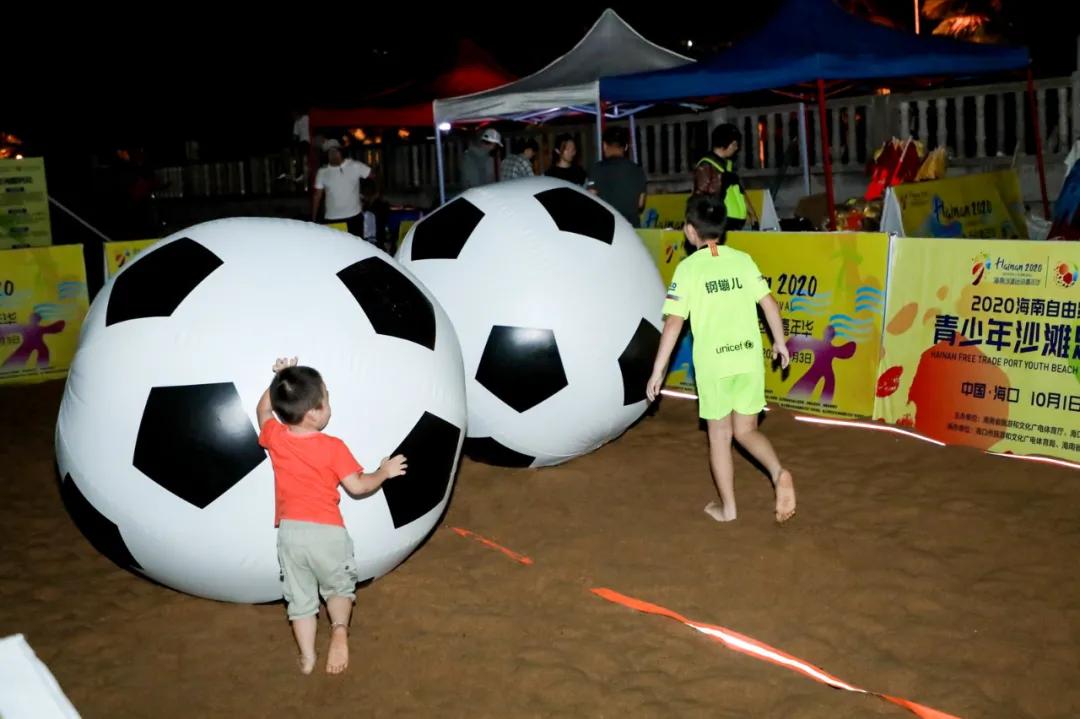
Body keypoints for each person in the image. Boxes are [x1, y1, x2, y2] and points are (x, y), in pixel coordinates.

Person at [646, 195, 796, 524]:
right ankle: (778, 471)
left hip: (715, 365)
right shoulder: (742, 260)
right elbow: (769, 304)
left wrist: (658, 370)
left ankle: (728, 509)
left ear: (689, 231)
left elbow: (673, 323)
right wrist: (780, 343)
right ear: (723, 229)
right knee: (746, 431)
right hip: (748, 358)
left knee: (720, 435)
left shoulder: (687, 269)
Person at [256, 357, 408, 675]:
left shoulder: (277, 439)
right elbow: (358, 486)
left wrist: (280, 378)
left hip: (290, 534)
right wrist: (383, 471)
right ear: (315, 412)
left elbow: (263, 412)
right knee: (338, 588)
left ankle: (308, 656)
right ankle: (339, 628)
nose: (328, 402)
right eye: (326, 397)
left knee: (299, 600)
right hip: (327, 532)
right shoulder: (332, 447)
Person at [692, 123, 758, 233]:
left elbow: (740, 192)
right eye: (734, 144)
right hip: (718, 227)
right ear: (724, 145)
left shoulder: (728, 165)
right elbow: (702, 198)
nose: (736, 148)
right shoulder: (706, 165)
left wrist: (752, 215)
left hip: (734, 226)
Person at [587, 126, 647, 227]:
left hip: (606, 229)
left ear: (604, 145)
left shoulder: (597, 169)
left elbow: (590, 198)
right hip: (632, 230)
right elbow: (640, 203)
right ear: (626, 147)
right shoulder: (637, 170)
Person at [312, 140, 372, 237]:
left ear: (341, 152)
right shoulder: (322, 172)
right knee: (336, 249)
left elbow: (373, 175)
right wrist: (313, 219)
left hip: (354, 217)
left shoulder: (355, 165)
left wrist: (372, 195)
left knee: (356, 248)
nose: (333, 154)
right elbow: (317, 196)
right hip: (332, 218)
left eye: (335, 151)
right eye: (330, 152)